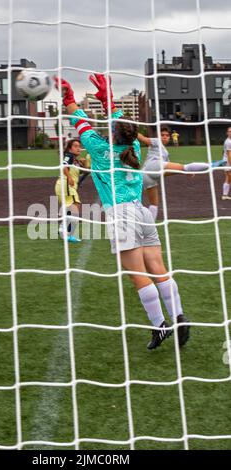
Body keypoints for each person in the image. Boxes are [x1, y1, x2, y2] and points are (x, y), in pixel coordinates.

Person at [54, 73, 190, 350]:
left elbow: (79, 121)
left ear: (112, 132)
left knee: (137, 274)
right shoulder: (135, 146)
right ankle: (179, 317)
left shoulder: (100, 147)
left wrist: (68, 98)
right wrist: (108, 98)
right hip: (142, 213)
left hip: (122, 215)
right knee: (158, 268)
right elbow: (120, 122)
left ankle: (160, 325)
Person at [139, 128, 209, 221]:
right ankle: (211, 165)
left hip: (147, 176)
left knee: (154, 204)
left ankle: (149, 229)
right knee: (184, 167)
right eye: (162, 135)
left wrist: (182, 172)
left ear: (169, 138)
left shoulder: (166, 154)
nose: (164, 137)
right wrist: (130, 128)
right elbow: (143, 139)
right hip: (151, 166)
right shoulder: (156, 141)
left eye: (167, 135)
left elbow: (166, 173)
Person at [55, 138, 90, 242]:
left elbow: (85, 173)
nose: (78, 148)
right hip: (66, 185)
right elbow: (64, 166)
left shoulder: (76, 161)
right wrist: (69, 177)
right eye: (75, 146)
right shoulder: (69, 156)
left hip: (66, 186)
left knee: (71, 209)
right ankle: (68, 234)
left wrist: (84, 165)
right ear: (70, 149)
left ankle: (63, 228)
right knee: (75, 207)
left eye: (79, 146)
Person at [221, 127, 231, 201]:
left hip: (227, 161)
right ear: (227, 133)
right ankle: (224, 195)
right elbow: (229, 154)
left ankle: (225, 195)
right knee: (229, 177)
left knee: (228, 178)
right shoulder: (228, 142)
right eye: (230, 131)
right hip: (228, 162)